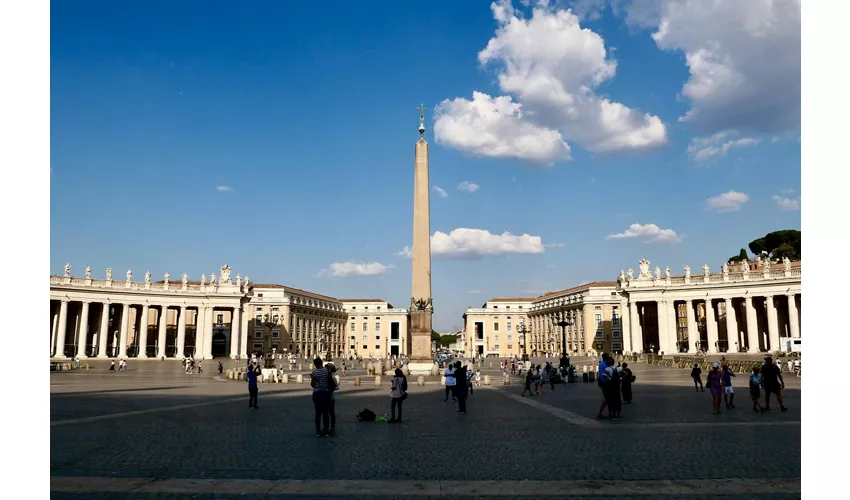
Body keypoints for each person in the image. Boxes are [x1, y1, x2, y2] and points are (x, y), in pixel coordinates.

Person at [310, 357, 332, 437]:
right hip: (326, 393)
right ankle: (326, 431)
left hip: (317, 393)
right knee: (326, 412)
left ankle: (318, 432)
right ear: (321, 363)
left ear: (315, 365)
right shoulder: (327, 370)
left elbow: (313, 385)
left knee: (318, 413)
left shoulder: (314, 373)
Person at [596, 354, 610, 419]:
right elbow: (602, 375)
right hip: (605, 383)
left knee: (608, 398)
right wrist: (605, 381)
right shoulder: (603, 365)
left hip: (606, 382)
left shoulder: (604, 364)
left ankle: (609, 412)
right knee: (607, 398)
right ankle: (600, 413)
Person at [327, 363, 340, 434]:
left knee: (330, 413)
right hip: (328, 397)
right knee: (328, 413)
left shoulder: (333, 378)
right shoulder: (329, 377)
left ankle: (331, 427)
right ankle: (328, 427)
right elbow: (337, 387)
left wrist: (331, 389)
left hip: (330, 397)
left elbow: (337, 387)